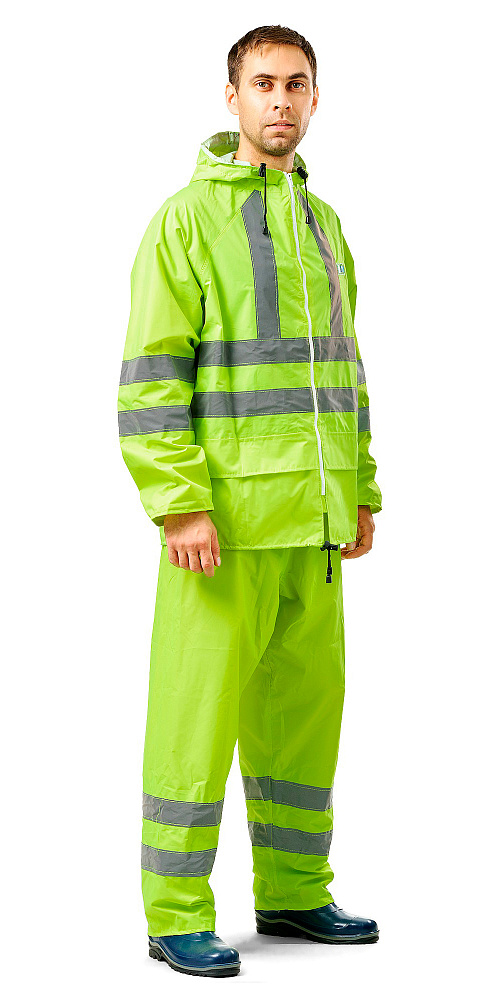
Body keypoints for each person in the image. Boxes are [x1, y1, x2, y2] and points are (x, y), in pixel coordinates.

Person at [117, 24, 383, 979]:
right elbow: (152, 375)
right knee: (194, 723)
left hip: (314, 526)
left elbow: (345, 372)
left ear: (314, 99)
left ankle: (296, 890)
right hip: (221, 529)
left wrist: (359, 489)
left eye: (296, 84)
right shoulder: (186, 221)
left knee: (304, 718)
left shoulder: (324, 226)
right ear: (231, 97)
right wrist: (178, 502)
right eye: (263, 83)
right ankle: (176, 913)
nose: (281, 100)